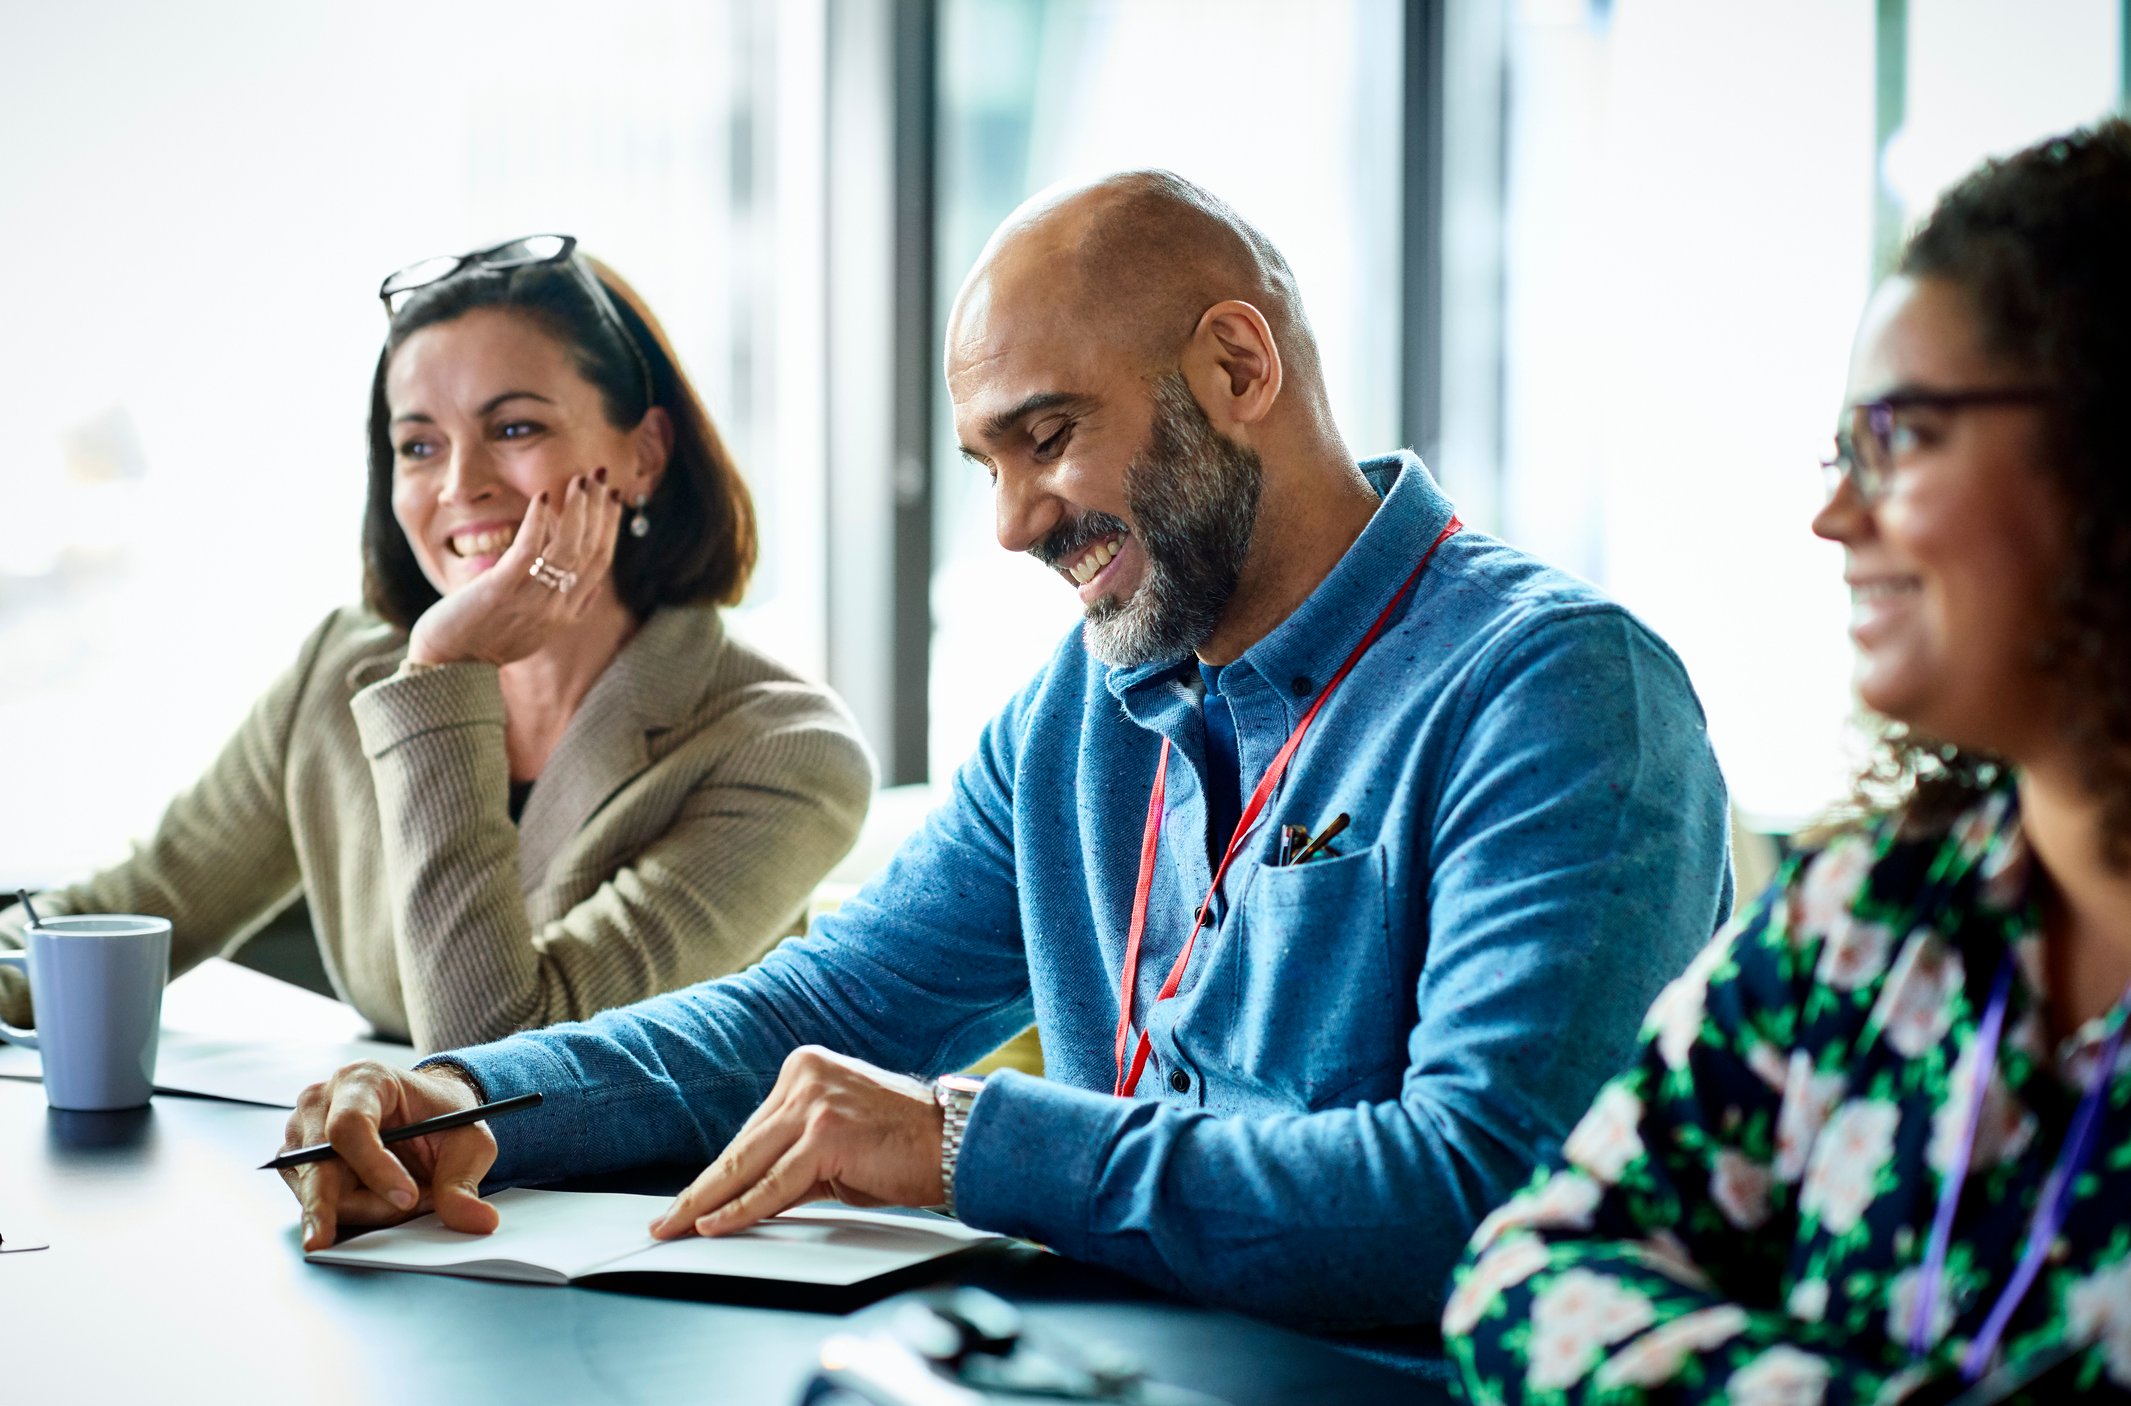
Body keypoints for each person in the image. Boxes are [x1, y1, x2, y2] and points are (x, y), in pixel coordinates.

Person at [282, 176, 1732, 1368]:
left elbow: (1476, 1193)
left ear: (1238, 367)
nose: (1010, 522)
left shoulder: (1557, 690)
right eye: (984, 460)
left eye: (1047, 438)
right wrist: (464, 1095)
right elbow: (825, 1010)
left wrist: (971, 1140)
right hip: (1091, 1366)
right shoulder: (1082, 705)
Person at [1445, 120, 2131, 1404]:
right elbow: (1522, 1274)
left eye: (1900, 436)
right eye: (1843, 447)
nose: (1833, 515)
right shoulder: (1862, 921)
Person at [0, 236, 873, 1054]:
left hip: (644, 1210)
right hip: (380, 1207)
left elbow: (498, 1057)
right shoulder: (342, 671)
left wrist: (448, 674)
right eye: (419, 445)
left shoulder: (788, 753)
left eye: (515, 428)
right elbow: (126, 911)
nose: (461, 485)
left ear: (644, 454)